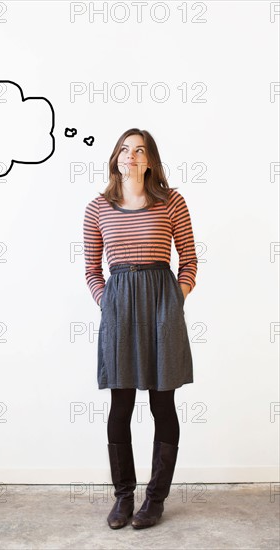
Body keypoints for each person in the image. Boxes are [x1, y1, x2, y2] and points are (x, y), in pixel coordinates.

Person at [82, 128, 198, 530]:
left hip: (161, 308)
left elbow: (190, 259)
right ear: (116, 157)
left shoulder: (171, 202)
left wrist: (176, 299)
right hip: (120, 313)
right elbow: (91, 270)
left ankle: (156, 499)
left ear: (150, 160)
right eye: (125, 150)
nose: (131, 156)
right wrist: (106, 303)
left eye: (140, 150)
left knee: (162, 405)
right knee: (121, 404)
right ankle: (123, 497)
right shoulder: (98, 208)